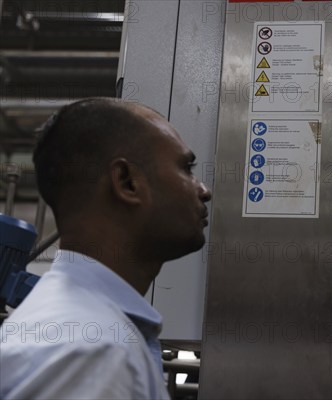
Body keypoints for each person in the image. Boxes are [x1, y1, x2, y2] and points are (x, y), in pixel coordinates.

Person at [0, 98, 212, 399]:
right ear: (127, 182)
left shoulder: (82, 329)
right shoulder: (95, 352)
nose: (204, 190)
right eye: (186, 168)